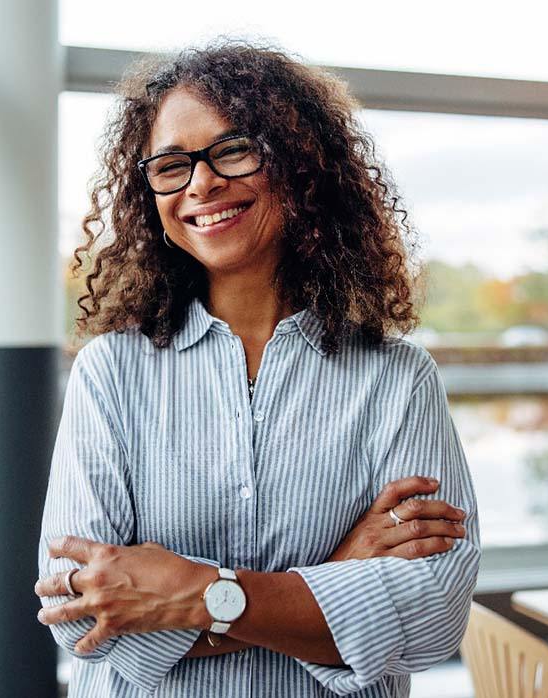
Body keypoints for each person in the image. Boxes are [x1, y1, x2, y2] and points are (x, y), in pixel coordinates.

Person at [35, 39, 480, 697]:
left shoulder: (396, 379)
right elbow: (81, 621)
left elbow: (432, 616)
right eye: (171, 165)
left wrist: (192, 596)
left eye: (233, 150)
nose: (201, 182)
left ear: (302, 166)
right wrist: (334, 581)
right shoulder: (110, 373)